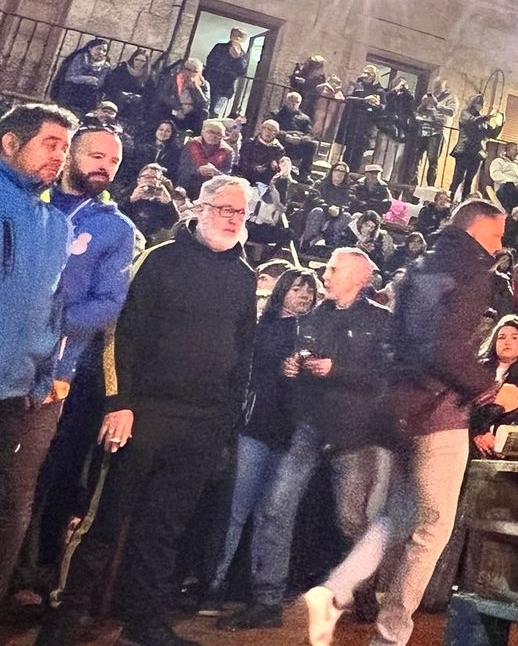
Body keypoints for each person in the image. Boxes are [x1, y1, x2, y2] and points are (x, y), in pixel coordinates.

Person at [38, 174, 259, 646]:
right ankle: (67, 613)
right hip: (142, 414)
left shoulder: (244, 276)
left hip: (202, 422)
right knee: (105, 518)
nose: (234, 219)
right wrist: (119, 404)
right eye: (225, 209)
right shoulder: (158, 260)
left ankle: (144, 622)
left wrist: (225, 422)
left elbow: (243, 352)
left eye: (241, 212)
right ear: (198, 208)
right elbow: (122, 336)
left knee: (164, 527)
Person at [301, 200, 518, 646]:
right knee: (434, 526)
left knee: (400, 513)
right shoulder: (470, 273)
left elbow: (409, 340)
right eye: (498, 235)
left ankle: (337, 589)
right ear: (478, 230)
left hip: (396, 405)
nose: (501, 245)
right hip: (438, 409)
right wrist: (489, 389)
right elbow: (442, 348)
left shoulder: (418, 266)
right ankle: (390, 633)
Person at [224, 248, 393, 630]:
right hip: (310, 428)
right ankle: (266, 599)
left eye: (334, 269)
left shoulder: (381, 321)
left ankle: (363, 587)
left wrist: (338, 369)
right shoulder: (312, 318)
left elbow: (386, 375)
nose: (326, 274)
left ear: (359, 277)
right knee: (275, 507)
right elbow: (300, 372)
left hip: (354, 434)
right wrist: (293, 369)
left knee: (351, 521)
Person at [202, 268, 319, 614]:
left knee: (271, 516)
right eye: (297, 288)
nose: (304, 296)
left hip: (291, 432)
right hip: (256, 426)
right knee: (237, 511)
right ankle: (214, 583)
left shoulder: (312, 332)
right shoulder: (261, 327)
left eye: (309, 291)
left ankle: (255, 590)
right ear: (282, 290)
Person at [0, 103, 74, 603]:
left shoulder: (56, 224)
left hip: (11, 392)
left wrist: (42, 377)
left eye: (65, 149)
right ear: (10, 143)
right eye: (51, 144)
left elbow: (53, 309)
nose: (60, 157)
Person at [51, 126, 139, 396]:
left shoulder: (117, 228)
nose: (105, 167)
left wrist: (46, 322)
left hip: (55, 366)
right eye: (97, 156)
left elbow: (109, 302)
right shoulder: (28, 202)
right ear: (68, 156)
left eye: (114, 161)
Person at [472, 316, 518, 454]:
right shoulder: (476, 371)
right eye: (501, 337)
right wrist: (478, 433)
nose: (507, 342)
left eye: (514, 338)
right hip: (471, 442)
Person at [448, 94, 497, 201]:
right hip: (464, 150)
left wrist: (500, 124)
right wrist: (487, 117)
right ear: (472, 103)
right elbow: (471, 121)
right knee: (458, 177)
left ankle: (464, 201)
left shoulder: (482, 119)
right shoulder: (465, 113)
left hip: (476, 152)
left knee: (469, 180)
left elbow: (491, 134)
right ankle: (451, 199)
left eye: (481, 103)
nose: (479, 105)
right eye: (477, 102)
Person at [301, 159, 355, 252]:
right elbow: (314, 198)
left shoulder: (348, 189)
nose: (339, 173)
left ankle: (331, 242)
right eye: (337, 170)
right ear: (332, 171)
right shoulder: (320, 184)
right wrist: (327, 208)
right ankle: (307, 241)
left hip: (335, 218)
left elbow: (348, 204)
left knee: (347, 216)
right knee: (318, 211)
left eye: (343, 171)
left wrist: (339, 210)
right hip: (319, 213)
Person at [175, 116, 234, 198]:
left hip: (211, 192)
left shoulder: (228, 151)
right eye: (210, 132)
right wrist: (197, 170)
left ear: (223, 136)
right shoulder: (191, 144)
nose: (214, 136)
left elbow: (227, 176)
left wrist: (215, 172)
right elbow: (182, 167)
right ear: (202, 132)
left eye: (218, 134)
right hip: (187, 186)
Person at [51, 37, 113, 115]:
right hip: (73, 88)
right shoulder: (80, 58)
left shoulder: (105, 66)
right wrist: (87, 79)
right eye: (98, 49)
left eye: (104, 51)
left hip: (90, 92)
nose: (101, 52)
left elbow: (99, 83)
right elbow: (70, 77)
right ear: (90, 48)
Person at [156, 57, 211, 136]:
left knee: (204, 113)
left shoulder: (204, 84)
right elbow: (162, 96)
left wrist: (195, 88)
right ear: (183, 69)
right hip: (174, 109)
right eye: (188, 70)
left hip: (191, 113)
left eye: (195, 71)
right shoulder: (172, 79)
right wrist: (177, 109)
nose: (191, 73)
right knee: (160, 107)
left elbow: (205, 104)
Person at [102, 48, 154, 130]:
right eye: (137, 59)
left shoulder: (147, 76)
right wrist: (123, 93)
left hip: (135, 104)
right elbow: (112, 85)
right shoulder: (122, 69)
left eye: (142, 61)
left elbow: (149, 93)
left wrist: (136, 96)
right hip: (117, 98)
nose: (139, 63)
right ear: (133, 59)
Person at [124, 165, 180, 241]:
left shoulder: (164, 196)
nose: (149, 180)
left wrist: (168, 204)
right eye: (146, 176)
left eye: (154, 178)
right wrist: (131, 199)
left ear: (160, 181)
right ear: (139, 180)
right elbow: (117, 215)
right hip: (128, 235)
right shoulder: (127, 193)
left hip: (154, 239)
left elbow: (173, 225)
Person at [204, 28, 250, 116]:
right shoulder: (220, 47)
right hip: (211, 82)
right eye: (233, 35)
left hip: (225, 87)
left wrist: (238, 58)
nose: (235, 38)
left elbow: (242, 72)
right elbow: (210, 60)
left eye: (238, 36)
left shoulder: (243, 55)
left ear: (242, 39)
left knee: (214, 112)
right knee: (204, 109)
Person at [272, 90, 317, 178]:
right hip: (280, 144)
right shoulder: (276, 114)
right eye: (291, 101)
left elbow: (310, 134)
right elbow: (272, 129)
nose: (294, 104)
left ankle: (304, 175)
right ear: (286, 101)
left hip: (296, 146)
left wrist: (301, 139)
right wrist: (286, 136)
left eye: (296, 102)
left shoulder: (305, 119)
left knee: (311, 145)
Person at [236, 118, 287, 186]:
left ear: (276, 134)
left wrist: (274, 168)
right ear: (261, 129)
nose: (268, 132)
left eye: (272, 130)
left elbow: (277, 171)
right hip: (245, 177)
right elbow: (242, 162)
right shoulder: (249, 143)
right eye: (266, 129)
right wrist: (254, 168)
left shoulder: (278, 149)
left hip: (265, 182)